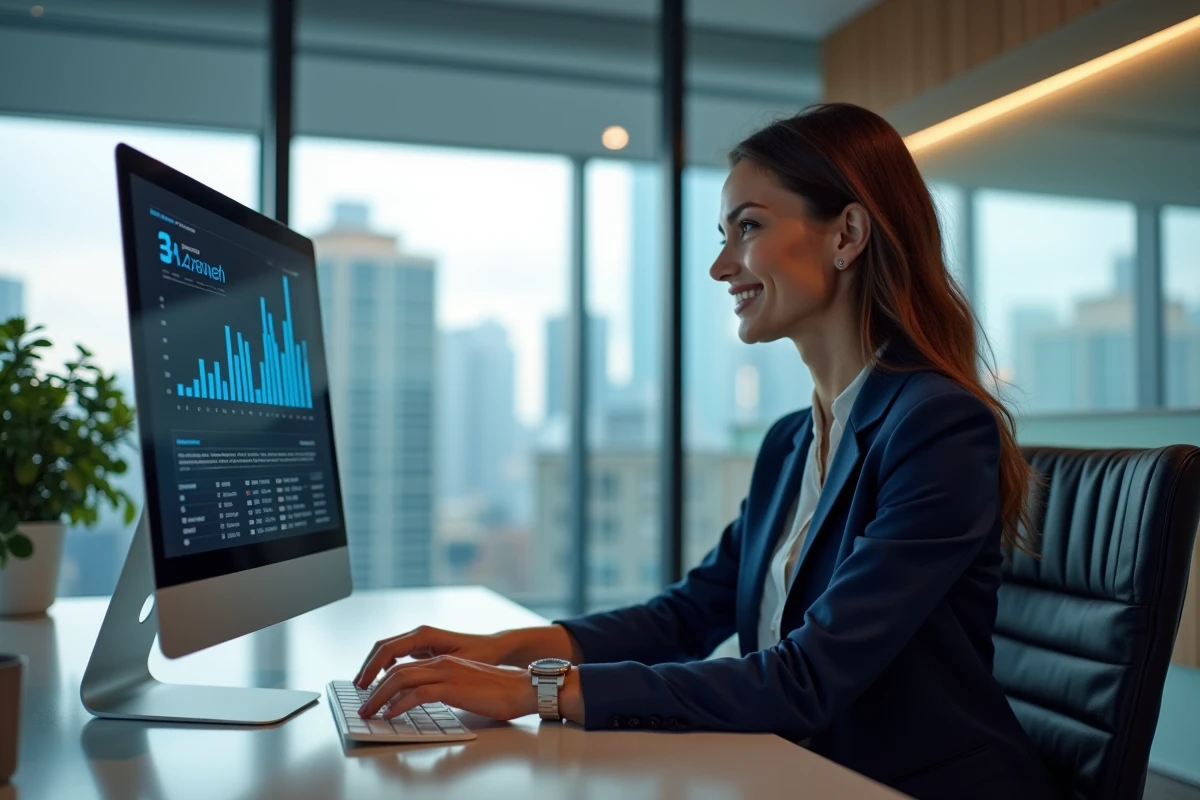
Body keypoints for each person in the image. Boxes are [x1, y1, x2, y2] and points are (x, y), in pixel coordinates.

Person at [353, 103, 1059, 800]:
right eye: (722, 235)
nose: (722, 266)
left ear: (847, 234)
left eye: (747, 228)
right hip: (797, 774)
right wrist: (503, 648)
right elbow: (686, 616)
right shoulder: (791, 441)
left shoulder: (938, 427)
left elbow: (805, 678)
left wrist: (534, 692)